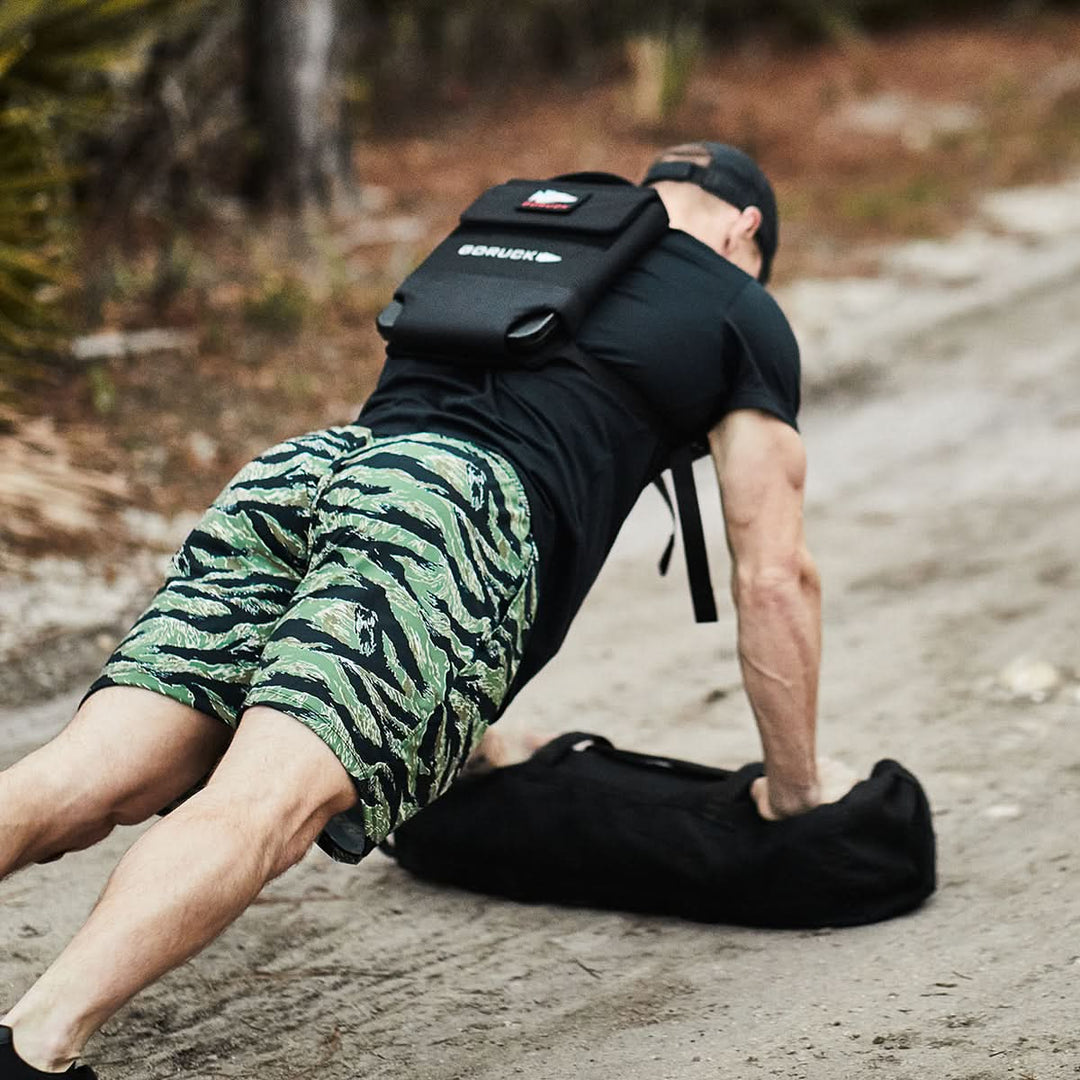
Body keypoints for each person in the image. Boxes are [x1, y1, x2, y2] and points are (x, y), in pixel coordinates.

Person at [0, 142, 827, 1078]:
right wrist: (795, 795)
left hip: (305, 476)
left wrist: (478, 742)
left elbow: (378, 583)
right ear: (747, 229)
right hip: (446, 509)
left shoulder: (533, 246)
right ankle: (36, 1044)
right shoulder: (737, 304)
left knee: (82, 773)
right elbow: (773, 577)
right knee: (265, 803)